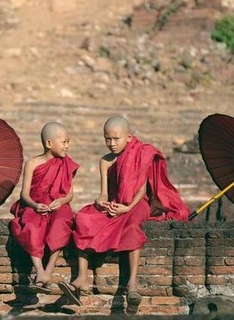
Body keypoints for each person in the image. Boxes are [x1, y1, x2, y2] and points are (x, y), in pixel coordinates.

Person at [59, 116, 188, 308]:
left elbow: (141, 190)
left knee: (132, 226)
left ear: (129, 137)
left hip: (136, 204)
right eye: (107, 139)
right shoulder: (105, 161)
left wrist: (127, 208)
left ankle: (132, 284)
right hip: (114, 204)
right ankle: (81, 277)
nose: (111, 143)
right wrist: (101, 202)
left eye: (116, 139)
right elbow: (103, 193)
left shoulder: (140, 155)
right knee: (84, 218)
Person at [10, 122, 79, 293]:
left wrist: (61, 201)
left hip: (57, 205)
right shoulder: (33, 163)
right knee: (31, 225)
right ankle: (39, 271)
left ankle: (48, 271)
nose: (67, 146)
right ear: (49, 143)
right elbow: (24, 194)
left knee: (61, 223)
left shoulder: (67, 164)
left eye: (68, 142)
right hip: (36, 204)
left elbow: (69, 195)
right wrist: (35, 205)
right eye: (64, 142)